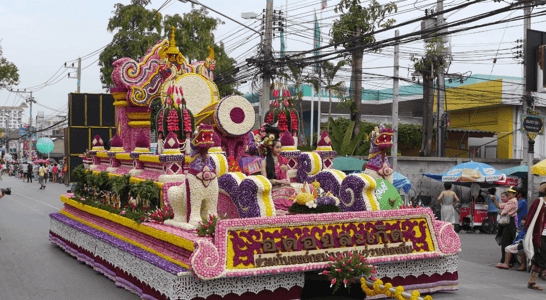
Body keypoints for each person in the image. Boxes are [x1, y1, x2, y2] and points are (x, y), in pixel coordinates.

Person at [260, 138, 296, 212]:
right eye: (277, 147)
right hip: (273, 189)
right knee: (284, 191)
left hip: (284, 186)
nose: (279, 149)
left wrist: (287, 181)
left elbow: (287, 175)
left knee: (290, 190)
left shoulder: (282, 160)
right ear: (271, 148)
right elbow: (265, 181)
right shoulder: (264, 162)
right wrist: (279, 181)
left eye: (280, 147)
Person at [524, 182, 546, 291]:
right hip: (540, 235)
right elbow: (530, 218)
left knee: (541, 259)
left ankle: (533, 281)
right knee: (540, 258)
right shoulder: (539, 202)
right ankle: (532, 282)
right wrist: (529, 234)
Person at [493, 188, 519, 269]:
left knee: (506, 242)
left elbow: (504, 211)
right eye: (509, 193)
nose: (509, 194)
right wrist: (494, 200)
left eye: (511, 193)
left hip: (509, 222)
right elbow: (500, 206)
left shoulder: (513, 201)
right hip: (508, 222)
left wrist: (501, 214)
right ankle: (508, 261)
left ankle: (505, 261)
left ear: (515, 194)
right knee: (508, 242)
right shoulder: (510, 201)